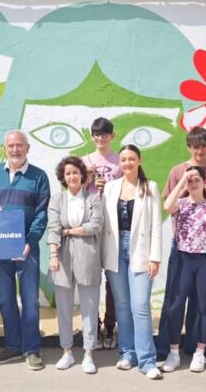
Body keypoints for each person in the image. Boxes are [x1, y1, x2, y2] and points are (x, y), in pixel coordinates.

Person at [0, 130, 50, 370]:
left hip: (27, 249)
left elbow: (41, 214)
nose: (15, 150)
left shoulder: (39, 177)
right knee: (5, 300)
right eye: (11, 145)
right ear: (5, 148)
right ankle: (13, 345)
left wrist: (30, 241)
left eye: (19, 145)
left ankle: (32, 349)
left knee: (30, 301)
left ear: (27, 148)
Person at [157, 127, 206, 358]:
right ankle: (165, 346)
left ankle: (195, 347)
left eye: (204, 145)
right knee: (173, 298)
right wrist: (186, 184)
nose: (200, 151)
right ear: (189, 147)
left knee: (200, 299)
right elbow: (169, 203)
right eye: (196, 146)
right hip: (181, 244)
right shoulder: (178, 171)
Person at [101, 144, 162, 380]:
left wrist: (155, 257)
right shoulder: (110, 187)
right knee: (123, 307)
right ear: (119, 162)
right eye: (123, 159)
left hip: (141, 251)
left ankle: (147, 360)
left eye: (131, 159)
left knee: (141, 307)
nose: (127, 163)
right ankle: (127, 353)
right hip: (115, 251)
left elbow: (156, 224)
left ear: (139, 160)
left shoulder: (150, 187)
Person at [47, 156, 104, 374]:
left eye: (75, 172)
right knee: (63, 308)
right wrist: (53, 254)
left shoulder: (92, 198)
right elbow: (53, 227)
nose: (72, 176)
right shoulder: (56, 200)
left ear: (83, 176)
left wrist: (69, 231)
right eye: (68, 173)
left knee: (89, 307)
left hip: (88, 255)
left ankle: (89, 353)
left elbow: (95, 225)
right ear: (63, 177)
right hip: (62, 256)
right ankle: (67, 352)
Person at [81, 117, 122, 350]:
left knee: (112, 280)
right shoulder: (84, 160)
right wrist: (87, 180)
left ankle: (110, 325)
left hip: (114, 225)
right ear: (92, 136)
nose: (100, 138)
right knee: (91, 279)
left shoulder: (119, 160)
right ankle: (94, 325)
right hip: (90, 225)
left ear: (112, 136)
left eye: (105, 134)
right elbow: (74, 190)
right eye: (96, 134)